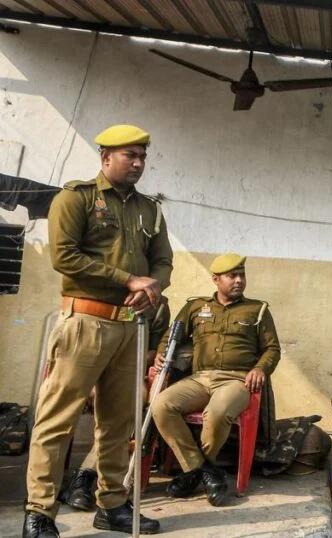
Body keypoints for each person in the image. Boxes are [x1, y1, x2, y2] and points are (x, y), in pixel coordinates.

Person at [24, 124, 172, 537]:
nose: (139, 163)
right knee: (57, 419)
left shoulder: (150, 209)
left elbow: (163, 262)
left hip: (129, 328)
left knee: (119, 422)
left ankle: (112, 505)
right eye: (130, 156)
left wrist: (153, 287)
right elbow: (65, 257)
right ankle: (39, 512)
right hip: (84, 324)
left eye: (143, 156)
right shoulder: (76, 198)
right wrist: (129, 279)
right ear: (106, 157)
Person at [150, 253, 281, 507]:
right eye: (232, 276)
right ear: (215, 279)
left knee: (218, 412)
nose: (239, 281)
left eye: (242, 275)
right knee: (161, 405)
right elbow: (172, 335)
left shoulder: (258, 310)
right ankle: (204, 471)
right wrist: (161, 354)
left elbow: (272, 349)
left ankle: (193, 473)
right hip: (199, 379)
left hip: (237, 381)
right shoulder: (196, 307)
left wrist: (260, 369)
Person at [61, 298, 172, 512]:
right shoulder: (98, 293)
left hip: (126, 373)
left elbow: (153, 350)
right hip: (88, 367)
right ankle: (46, 497)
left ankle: (84, 477)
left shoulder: (158, 306)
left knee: (133, 397)